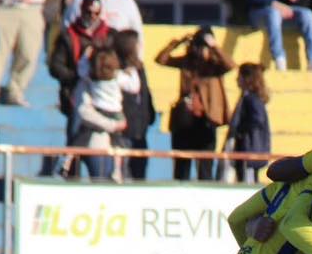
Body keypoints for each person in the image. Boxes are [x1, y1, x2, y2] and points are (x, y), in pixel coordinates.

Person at [156, 27, 235, 181]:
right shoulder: (187, 61)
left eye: (202, 47)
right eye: (198, 46)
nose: (199, 51)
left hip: (207, 119)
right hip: (185, 120)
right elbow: (161, 59)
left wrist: (213, 46)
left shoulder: (214, 65)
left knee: (205, 167)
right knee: (181, 168)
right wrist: (177, 43)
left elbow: (230, 65)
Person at [48, 0, 111, 134]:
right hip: (76, 94)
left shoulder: (108, 35)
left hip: (102, 96)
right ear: (82, 11)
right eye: (89, 12)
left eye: (96, 13)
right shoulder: (69, 36)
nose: (92, 17)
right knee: (76, 138)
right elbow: (56, 66)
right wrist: (76, 76)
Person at [72, 48, 126, 181]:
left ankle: (117, 171)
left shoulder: (114, 80)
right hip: (96, 139)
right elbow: (84, 111)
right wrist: (112, 125)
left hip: (113, 142)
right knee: (100, 180)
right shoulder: (86, 82)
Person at [113, 30, 154, 181]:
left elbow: (145, 95)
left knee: (139, 175)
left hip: (140, 132)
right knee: (124, 175)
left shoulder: (140, 69)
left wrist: (149, 116)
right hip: (125, 132)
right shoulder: (118, 70)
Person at [227, 64, 271, 183]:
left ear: (246, 79)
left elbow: (258, 119)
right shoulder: (248, 97)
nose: (237, 80)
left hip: (249, 151)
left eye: (239, 76)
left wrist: (240, 131)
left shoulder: (251, 98)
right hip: (247, 151)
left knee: (248, 184)